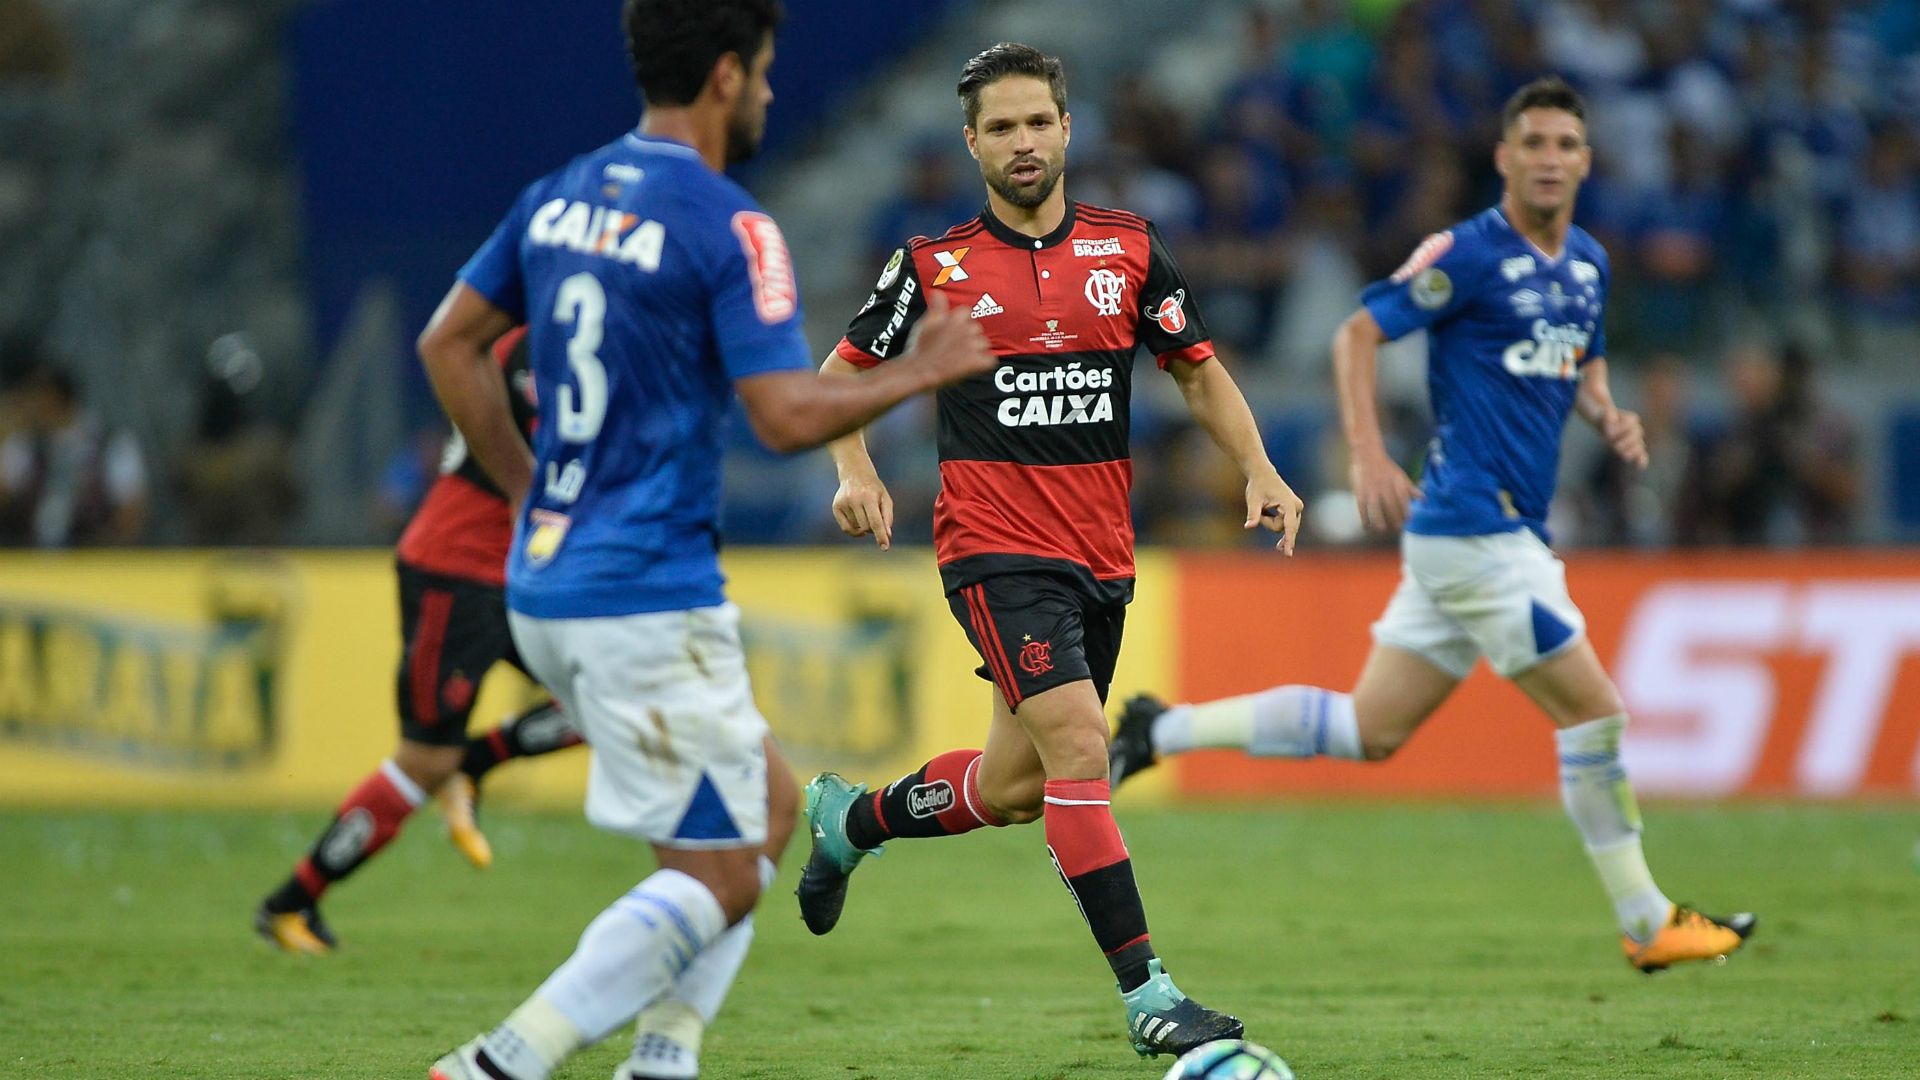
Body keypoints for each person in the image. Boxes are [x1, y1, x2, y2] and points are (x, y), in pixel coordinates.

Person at [418, 3, 994, 1079]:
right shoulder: (727, 226)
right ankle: (501, 1061)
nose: (773, 94)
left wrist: (530, 487)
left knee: (774, 811)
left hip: (547, 581)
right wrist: (924, 368)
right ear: (728, 76)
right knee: (723, 875)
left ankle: (663, 1058)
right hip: (643, 594)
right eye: (768, 73)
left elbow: (449, 344)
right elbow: (781, 417)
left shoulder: (560, 197)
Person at [1107, 77, 1756, 974]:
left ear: (1586, 159)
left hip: (1503, 536)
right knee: (1596, 713)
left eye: (1566, 144)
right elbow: (1357, 334)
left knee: (1370, 730)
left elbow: (1586, 354)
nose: (1549, 159)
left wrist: (1605, 409)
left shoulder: (1592, 264)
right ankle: (1648, 921)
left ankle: (1159, 730)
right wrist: (1371, 455)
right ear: (1503, 157)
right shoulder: (1470, 252)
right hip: (1472, 535)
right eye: (1532, 142)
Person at [796, 42, 1303, 1060]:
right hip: (993, 551)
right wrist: (854, 471)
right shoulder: (933, 269)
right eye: (1001, 128)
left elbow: (1197, 373)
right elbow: (836, 382)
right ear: (973, 143)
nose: (1023, 142)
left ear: (1068, 131)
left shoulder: (1130, 252)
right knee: (1082, 750)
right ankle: (1150, 995)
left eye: (1038, 123)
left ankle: (853, 822)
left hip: (1100, 557)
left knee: (1018, 786)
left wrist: (1258, 467)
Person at [253, 329, 589, 959]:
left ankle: (473, 765)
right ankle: (289, 903)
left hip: (518, 573)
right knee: (423, 760)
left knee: (610, 696)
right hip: (455, 570)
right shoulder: (526, 343)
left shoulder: (563, 336)